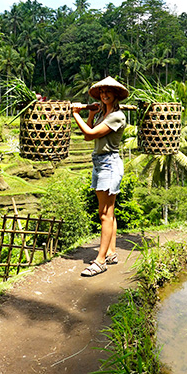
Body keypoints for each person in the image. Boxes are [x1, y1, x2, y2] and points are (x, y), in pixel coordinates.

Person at [71, 76, 128, 277]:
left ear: (116, 95)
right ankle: (111, 253)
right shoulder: (104, 115)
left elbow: (91, 134)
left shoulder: (117, 116)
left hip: (109, 164)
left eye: (108, 92)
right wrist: (90, 114)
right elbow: (88, 135)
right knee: (107, 212)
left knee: (105, 214)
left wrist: (75, 114)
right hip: (100, 163)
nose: (104, 94)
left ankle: (100, 261)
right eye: (102, 92)